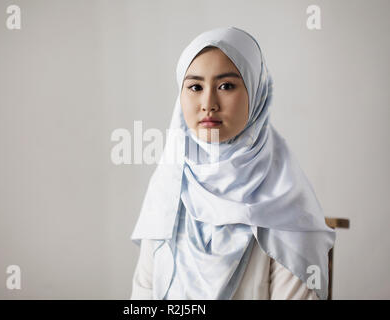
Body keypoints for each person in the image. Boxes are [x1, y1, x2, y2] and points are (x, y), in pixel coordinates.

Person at [130, 27, 336, 300]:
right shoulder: (167, 188)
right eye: (195, 87)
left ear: (256, 91)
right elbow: (143, 297)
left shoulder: (287, 206)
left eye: (226, 86)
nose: (208, 103)